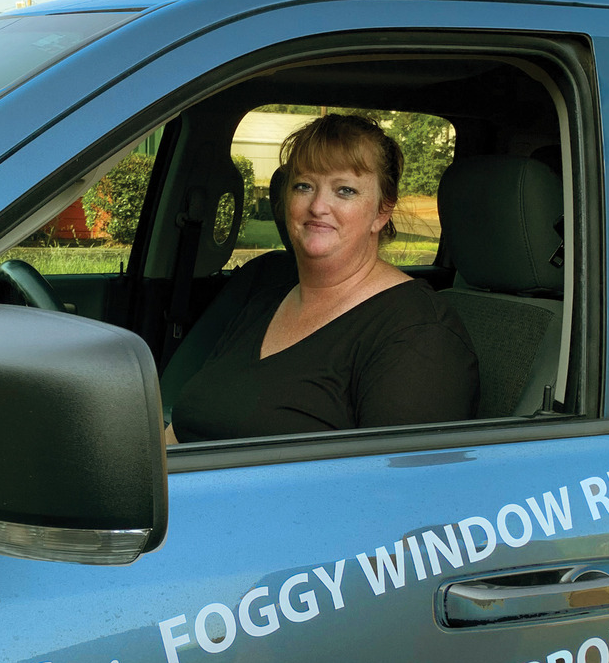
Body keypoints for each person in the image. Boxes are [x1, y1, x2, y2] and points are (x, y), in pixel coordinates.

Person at [166, 113, 479, 444]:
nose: (318, 206)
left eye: (345, 190)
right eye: (304, 186)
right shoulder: (263, 302)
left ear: (382, 212)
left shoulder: (420, 333)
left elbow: (394, 475)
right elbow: (185, 426)